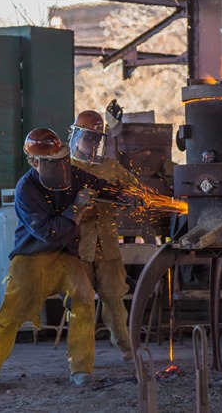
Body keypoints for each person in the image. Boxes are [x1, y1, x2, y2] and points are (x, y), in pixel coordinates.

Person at [0, 128, 123, 395]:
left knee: (85, 297)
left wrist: (126, 195)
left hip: (65, 256)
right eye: (52, 161)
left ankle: (81, 369)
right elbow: (47, 232)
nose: (60, 166)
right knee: (11, 314)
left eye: (61, 158)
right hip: (31, 258)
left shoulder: (74, 175)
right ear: (35, 162)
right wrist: (76, 208)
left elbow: (101, 187)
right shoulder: (26, 189)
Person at [68, 110, 139, 362]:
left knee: (115, 300)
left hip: (108, 246)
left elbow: (135, 189)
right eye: (88, 138)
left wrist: (132, 197)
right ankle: (80, 360)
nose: (93, 144)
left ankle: (127, 350)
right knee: (80, 304)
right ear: (76, 136)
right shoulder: (66, 168)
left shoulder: (109, 168)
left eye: (97, 139)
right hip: (78, 249)